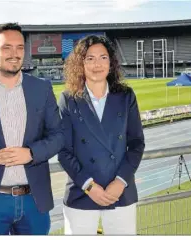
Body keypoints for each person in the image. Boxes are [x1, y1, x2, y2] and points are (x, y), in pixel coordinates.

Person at [0, 23, 64, 235]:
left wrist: (32, 153)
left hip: (34, 200)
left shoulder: (41, 88)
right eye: (6, 47)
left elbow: (59, 135)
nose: (14, 54)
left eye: (19, 48)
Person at [58, 35, 145, 235]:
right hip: (81, 192)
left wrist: (120, 181)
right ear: (80, 64)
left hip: (120, 193)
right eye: (90, 58)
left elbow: (137, 144)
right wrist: (89, 186)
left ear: (111, 62)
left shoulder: (126, 96)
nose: (97, 64)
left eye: (103, 57)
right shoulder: (68, 99)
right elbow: (63, 150)